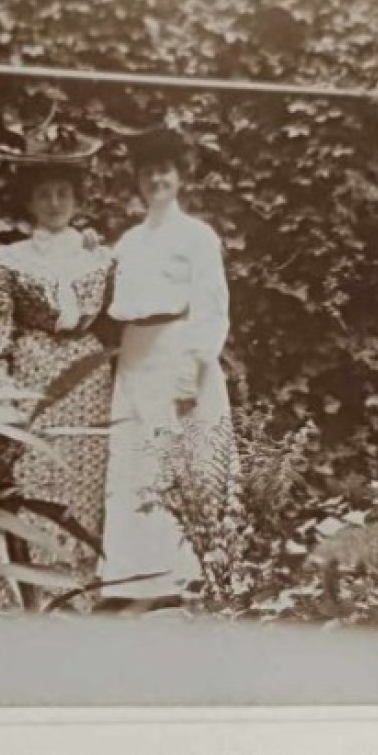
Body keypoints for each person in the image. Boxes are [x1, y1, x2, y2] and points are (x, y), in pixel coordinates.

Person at [0, 120, 115, 581]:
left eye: (63, 194)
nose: (55, 204)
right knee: (33, 472)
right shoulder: (11, 257)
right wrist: (0, 385)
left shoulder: (100, 255)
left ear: (77, 200)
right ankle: (30, 580)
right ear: (30, 202)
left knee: (84, 473)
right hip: (32, 374)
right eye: (45, 195)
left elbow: (128, 312)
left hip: (88, 375)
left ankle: (78, 583)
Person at [99, 127, 233, 600]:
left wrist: (190, 370)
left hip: (178, 349)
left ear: (180, 177)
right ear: (138, 180)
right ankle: (129, 579)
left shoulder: (198, 236)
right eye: (148, 172)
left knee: (180, 460)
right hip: (135, 353)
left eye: (165, 171)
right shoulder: (127, 243)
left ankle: (184, 574)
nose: (157, 179)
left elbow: (211, 307)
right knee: (134, 460)